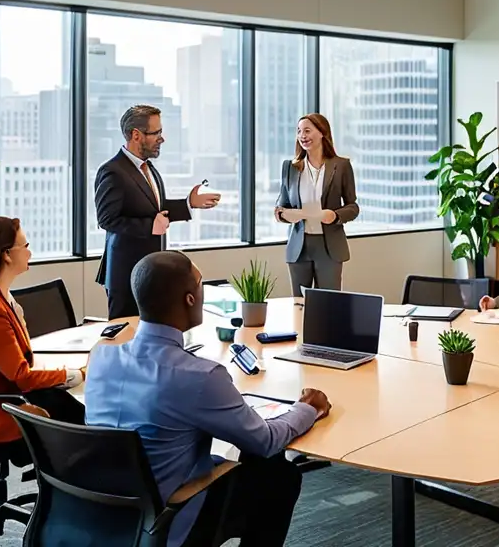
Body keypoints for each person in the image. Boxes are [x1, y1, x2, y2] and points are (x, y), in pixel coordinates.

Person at [84, 251, 330, 547]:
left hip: (100, 509)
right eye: (200, 286)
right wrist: (306, 409)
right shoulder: (199, 376)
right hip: (165, 521)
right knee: (278, 477)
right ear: (190, 298)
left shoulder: (101, 356)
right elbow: (264, 441)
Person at [0, 217, 85, 458]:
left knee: (69, 406)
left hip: (7, 397)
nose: (30, 253)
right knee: (80, 416)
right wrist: (77, 374)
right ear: (6, 255)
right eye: (25, 245)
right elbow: (22, 377)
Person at [94, 104, 220, 319]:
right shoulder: (112, 171)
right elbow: (107, 219)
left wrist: (189, 203)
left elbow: (156, 209)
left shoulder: (148, 168)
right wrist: (148, 226)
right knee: (127, 338)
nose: (162, 138)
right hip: (126, 276)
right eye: (156, 132)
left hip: (151, 275)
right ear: (136, 135)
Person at [275, 113, 359, 298]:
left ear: (322, 133)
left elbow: (353, 207)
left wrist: (335, 215)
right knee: (300, 305)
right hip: (299, 247)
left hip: (329, 247)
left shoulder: (341, 165)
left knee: (328, 305)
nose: (302, 136)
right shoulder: (290, 167)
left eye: (307, 130)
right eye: (299, 131)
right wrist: (285, 214)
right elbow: (281, 206)